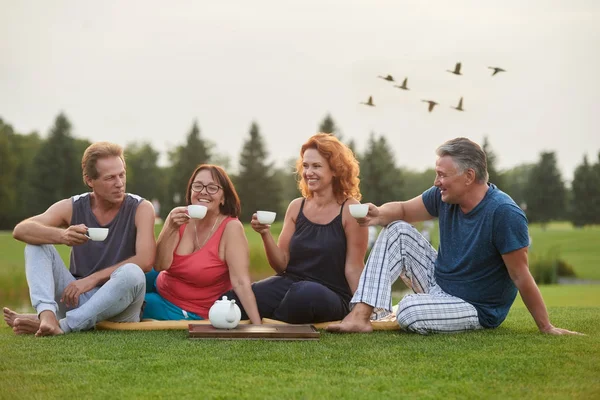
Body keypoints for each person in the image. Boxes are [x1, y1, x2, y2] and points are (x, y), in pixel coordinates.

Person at [328, 137, 581, 335]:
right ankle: (361, 316)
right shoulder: (443, 196)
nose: (436, 181)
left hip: (476, 307)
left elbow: (520, 274)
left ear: (469, 176)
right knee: (396, 230)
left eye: (442, 174)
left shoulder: (504, 213)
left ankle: (418, 307)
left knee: (408, 310)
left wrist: (546, 326)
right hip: (440, 283)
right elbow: (404, 210)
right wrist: (378, 214)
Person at [3, 142, 156, 336]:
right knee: (36, 244)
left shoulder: (141, 208)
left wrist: (91, 280)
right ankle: (47, 315)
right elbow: (21, 229)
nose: (119, 183)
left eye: (122, 174)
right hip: (76, 298)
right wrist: (62, 236)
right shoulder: (73, 206)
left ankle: (62, 326)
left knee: (133, 272)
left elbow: (146, 261)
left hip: (121, 306)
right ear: (89, 180)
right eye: (110, 177)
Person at [248, 133, 368, 323]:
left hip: (331, 294)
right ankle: (276, 315)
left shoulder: (350, 210)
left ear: (335, 170)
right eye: (305, 166)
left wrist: (361, 312)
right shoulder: (297, 207)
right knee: (242, 296)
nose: (308, 172)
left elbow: (354, 267)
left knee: (303, 294)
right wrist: (265, 233)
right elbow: (281, 265)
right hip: (290, 284)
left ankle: (273, 322)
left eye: (316, 166)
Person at [143, 164, 261, 325]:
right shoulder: (179, 218)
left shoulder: (231, 228)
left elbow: (241, 282)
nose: (203, 191)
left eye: (212, 187)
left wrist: (258, 325)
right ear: (191, 191)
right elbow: (159, 265)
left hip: (189, 308)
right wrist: (170, 227)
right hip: (162, 282)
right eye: (198, 186)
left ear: (223, 198)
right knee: (132, 272)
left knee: (132, 303)